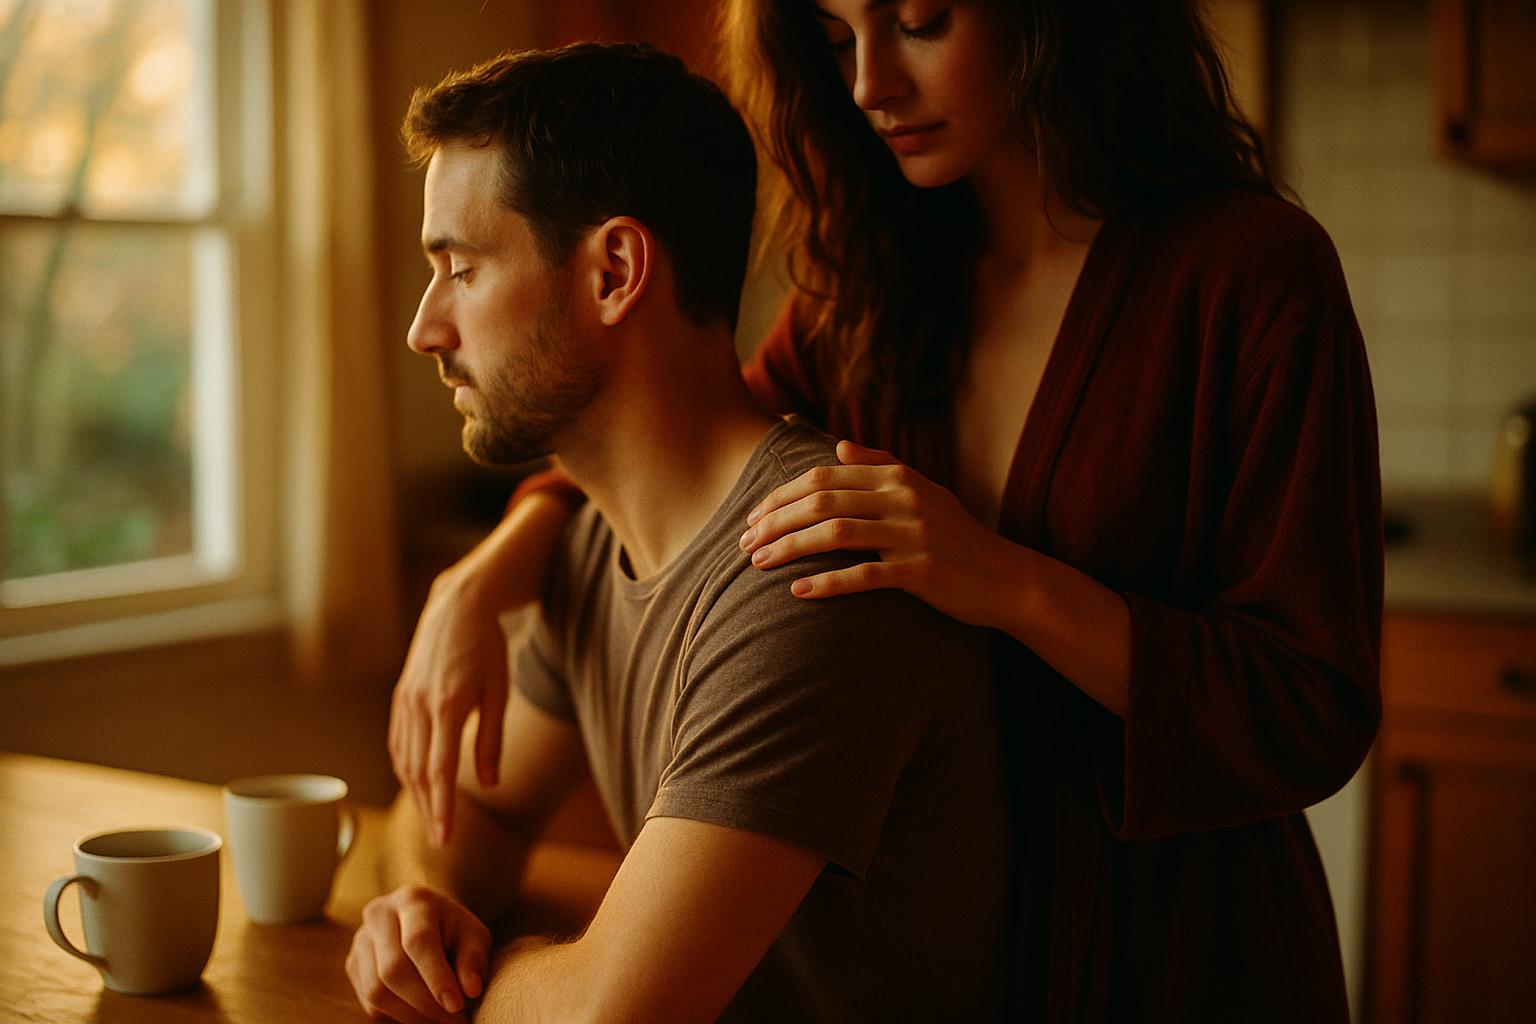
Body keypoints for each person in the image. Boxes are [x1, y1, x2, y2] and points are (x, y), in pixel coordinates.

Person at [390, 1, 1383, 1019]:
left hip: (1177, 951)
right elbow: (670, 433)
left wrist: (1010, 582)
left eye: (919, 19)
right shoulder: (870, 281)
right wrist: (490, 568)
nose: (869, 82)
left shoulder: (1253, 273)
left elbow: (1315, 706)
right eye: (834, 38)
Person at [350, 42, 1012, 1024]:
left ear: (615, 270)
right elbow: (470, 808)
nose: (425, 326)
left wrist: (493, 973)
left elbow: (613, 1011)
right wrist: (426, 911)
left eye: (460, 268)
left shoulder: (809, 571)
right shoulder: (591, 543)